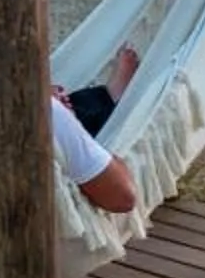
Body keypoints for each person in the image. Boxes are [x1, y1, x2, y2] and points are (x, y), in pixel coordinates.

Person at [52, 46, 141, 214]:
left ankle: (110, 96)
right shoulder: (49, 112)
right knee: (75, 116)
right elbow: (123, 198)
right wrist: (68, 121)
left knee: (73, 105)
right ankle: (112, 97)